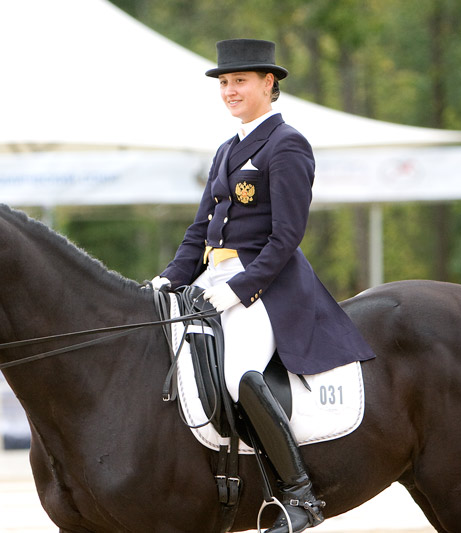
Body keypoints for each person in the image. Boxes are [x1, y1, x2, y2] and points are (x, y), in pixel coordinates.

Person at [152, 38, 376, 533]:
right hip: (211, 279)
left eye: (240, 82)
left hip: (267, 287)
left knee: (239, 375)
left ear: (268, 84)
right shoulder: (226, 149)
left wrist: (240, 289)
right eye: (225, 83)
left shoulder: (286, 143)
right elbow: (199, 230)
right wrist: (169, 277)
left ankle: (299, 497)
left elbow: (288, 234)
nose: (230, 91)